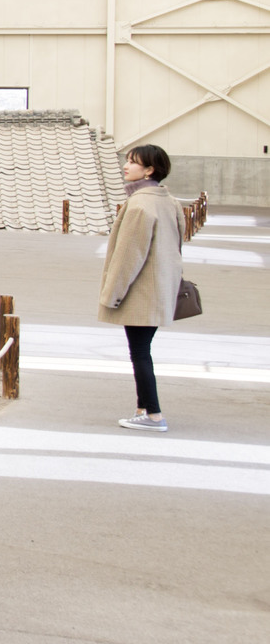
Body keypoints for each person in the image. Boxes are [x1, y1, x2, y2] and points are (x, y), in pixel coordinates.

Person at [99, 142, 184, 431]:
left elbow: (128, 256)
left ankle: (154, 415)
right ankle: (143, 407)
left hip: (141, 290)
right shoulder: (168, 201)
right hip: (161, 288)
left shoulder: (140, 204)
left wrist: (112, 294)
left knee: (139, 352)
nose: (126, 165)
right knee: (141, 348)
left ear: (149, 169)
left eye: (133, 162)